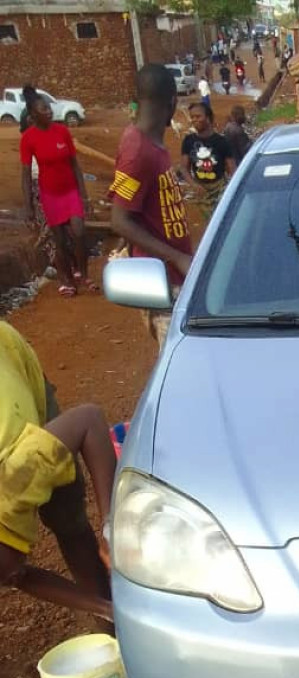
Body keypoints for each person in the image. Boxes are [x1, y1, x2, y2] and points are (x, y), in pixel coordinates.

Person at [0, 322, 113, 619]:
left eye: (7, 580)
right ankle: (107, 617)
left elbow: (90, 418)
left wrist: (111, 526)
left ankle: (108, 622)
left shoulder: (23, 468)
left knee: (67, 515)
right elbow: (17, 573)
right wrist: (108, 611)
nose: (9, 585)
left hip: (8, 354)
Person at [110, 63, 193, 344]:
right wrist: (178, 257)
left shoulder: (152, 143)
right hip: (162, 283)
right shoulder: (138, 151)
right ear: (172, 102)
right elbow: (119, 219)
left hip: (174, 278)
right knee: (178, 367)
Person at [19, 88, 93, 297]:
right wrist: (29, 208)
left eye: (49, 107)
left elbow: (75, 165)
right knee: (59, 241)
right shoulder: (28, 139)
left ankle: (84, 274)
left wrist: (84, 195)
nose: (49, 111)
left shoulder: (62, 132)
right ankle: (67, 279)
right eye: (44, 109)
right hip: (50, 195)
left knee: (79, 233)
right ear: (33, 115)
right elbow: (25, 175)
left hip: (70, 192)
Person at [178, 101, 234, 220]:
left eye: (198, 116)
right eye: (192, 117)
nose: (194, 120)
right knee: (210, 222)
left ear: (208, 118)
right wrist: (194, 185)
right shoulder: (189, 141)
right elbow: (184, 167)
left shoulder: (221, 142)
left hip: (220, 189)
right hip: (201, 192)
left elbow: (232, 170)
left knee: (222, 220)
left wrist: (231, 189)